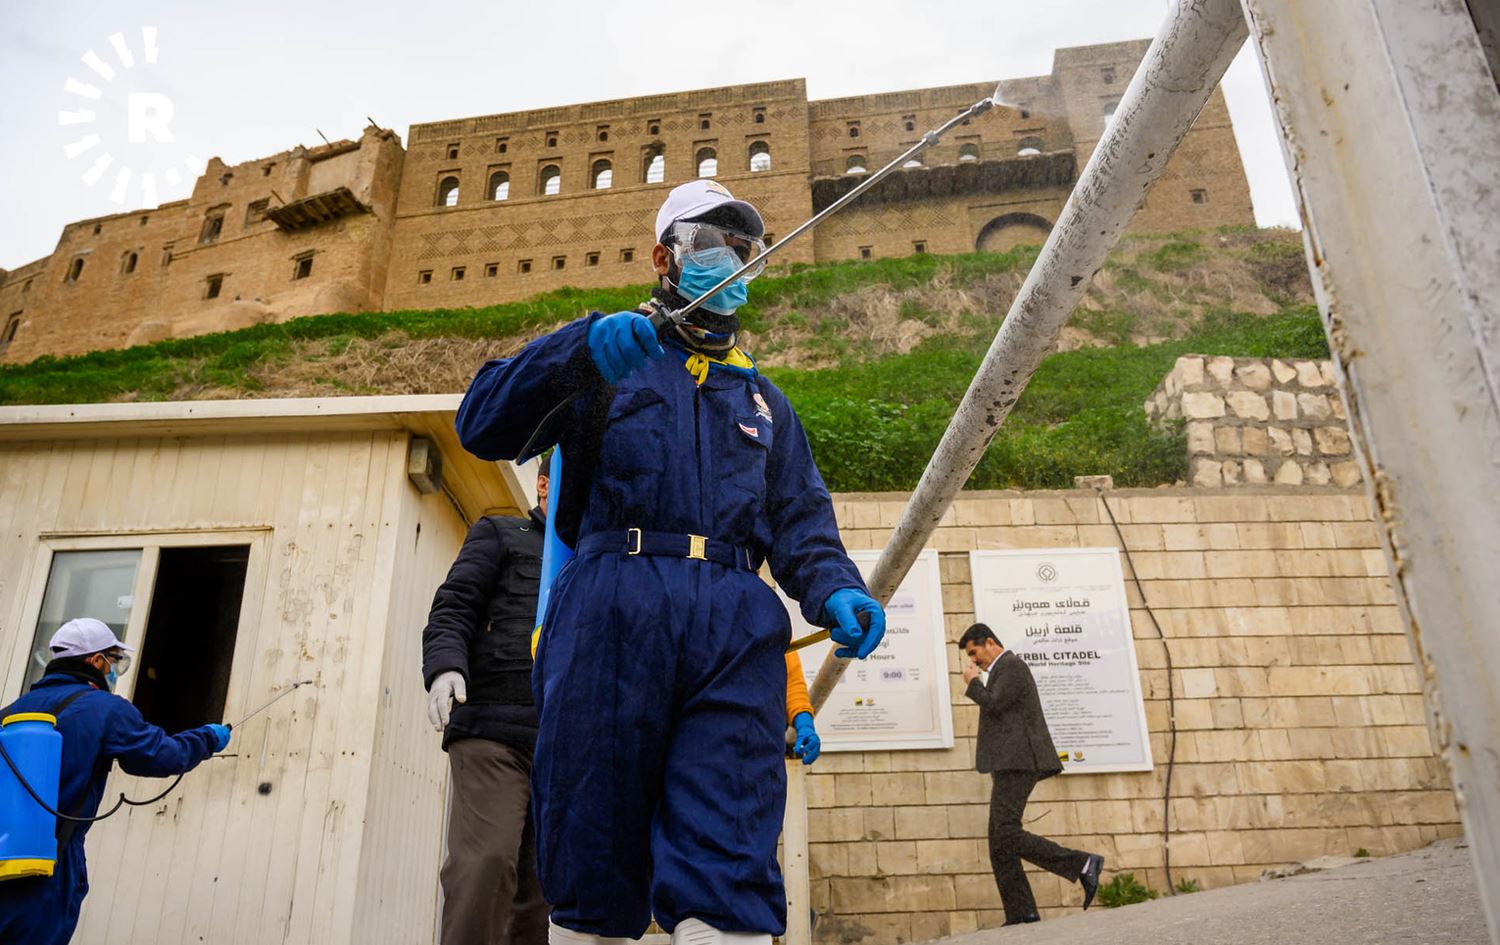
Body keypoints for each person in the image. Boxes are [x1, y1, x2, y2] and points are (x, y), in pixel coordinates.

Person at [454, 179, 885, 945]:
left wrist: (837, 588)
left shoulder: (764, 401)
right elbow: (482, 420)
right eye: (708, 245)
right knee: (593, 858)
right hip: (609, 616)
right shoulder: (605, 359)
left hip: (732, 628)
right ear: (663, 256)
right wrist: (576, 351)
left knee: (730, 857)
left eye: (743, 250)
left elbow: (800, 520)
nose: (729, 262)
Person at [0, 617, 230, 945]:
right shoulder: (103, 708)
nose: (114, 670)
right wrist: (206, 738)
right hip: (50, 865)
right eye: (114, 660)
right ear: (95, 661)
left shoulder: (10, 711)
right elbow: (162, 756)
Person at [422, 461, 552, 945]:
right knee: (487, 862)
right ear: (543, 484)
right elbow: (454, 605)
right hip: (492, 729)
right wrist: (444, 668)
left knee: (544, 894)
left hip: (562, 745)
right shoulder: (499, 533)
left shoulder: (593, 557)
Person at [959, 622, 1104, 925]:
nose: (974, 661)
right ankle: (1021, 912)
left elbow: (995, 704)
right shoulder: (1002, 669)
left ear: (989, 643)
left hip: (1019, 761)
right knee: (998, 840)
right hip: (1010, 762)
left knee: (1006, 832)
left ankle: (1082, 863)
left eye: (974, 653)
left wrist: (974, 683)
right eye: (971, 658)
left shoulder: (1011, 665)